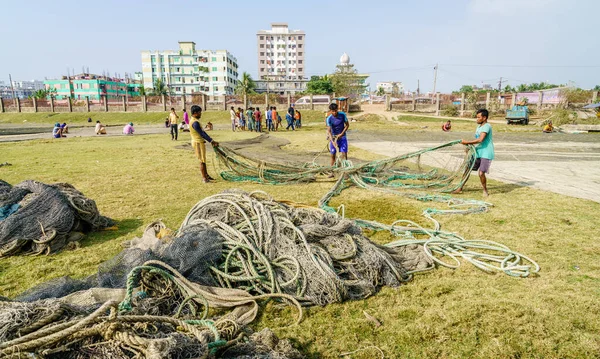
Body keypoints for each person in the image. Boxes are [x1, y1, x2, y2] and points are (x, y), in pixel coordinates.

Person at [453, 108, 494, 197]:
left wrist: (466, 142)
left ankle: (485, 190)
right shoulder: (478, 127)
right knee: (467, 169)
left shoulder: (487, 126)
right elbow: (477, 141)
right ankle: (460, 188)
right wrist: (469, 147)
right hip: (478, 152)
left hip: (486, 153)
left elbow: (480, 139)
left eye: (479, 117)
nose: (477, 119)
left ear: (484, 118)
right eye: (477, 117)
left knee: (481, 173)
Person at [189, 105, 219, 183]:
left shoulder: (195, 120)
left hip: (199, 142)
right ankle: (204, 178)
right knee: (202, 160)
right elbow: (202, 133)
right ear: (195, 113)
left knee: (203, 159)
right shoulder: (194, 122)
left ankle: (206, 175)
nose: (200, 114)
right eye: (199, 112)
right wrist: (211, 141)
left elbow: (203, 132)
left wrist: (211, 140)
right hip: (197, 143)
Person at [326, 103, 349, 177]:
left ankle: (345, 172)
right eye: (333, 111)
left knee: (344, 155)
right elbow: (329, 131)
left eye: (336, 111)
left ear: (337, 109)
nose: (334, 113)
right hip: (333, 138)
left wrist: (341, 134)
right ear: (330, 111)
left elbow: (347, 125)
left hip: (342, 137)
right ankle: (332, 172)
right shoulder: (329, 118)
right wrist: (332, 141)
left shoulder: (342, 115)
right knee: (332, 155)